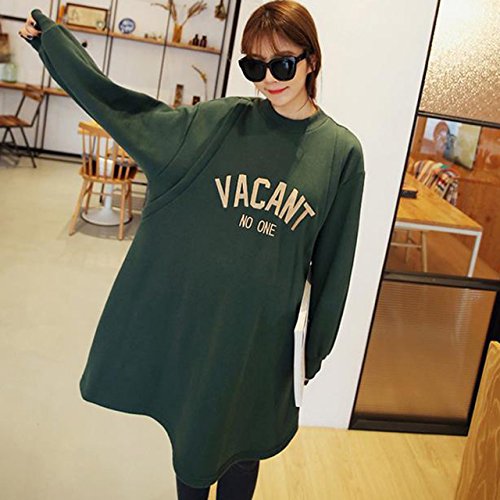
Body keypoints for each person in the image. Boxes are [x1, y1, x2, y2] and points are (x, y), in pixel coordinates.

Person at [19, 1, 365, 499]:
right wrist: (54, 45)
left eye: (283, 64)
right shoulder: (220, 124)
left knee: (244, 449)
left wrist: (311, 356)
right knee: (196, 446)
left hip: (261, 342)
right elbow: (126, 112)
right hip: (203, 332)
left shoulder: (340, 152)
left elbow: (335, 267)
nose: (269, 80)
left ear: (312, 60)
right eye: (254, 67)